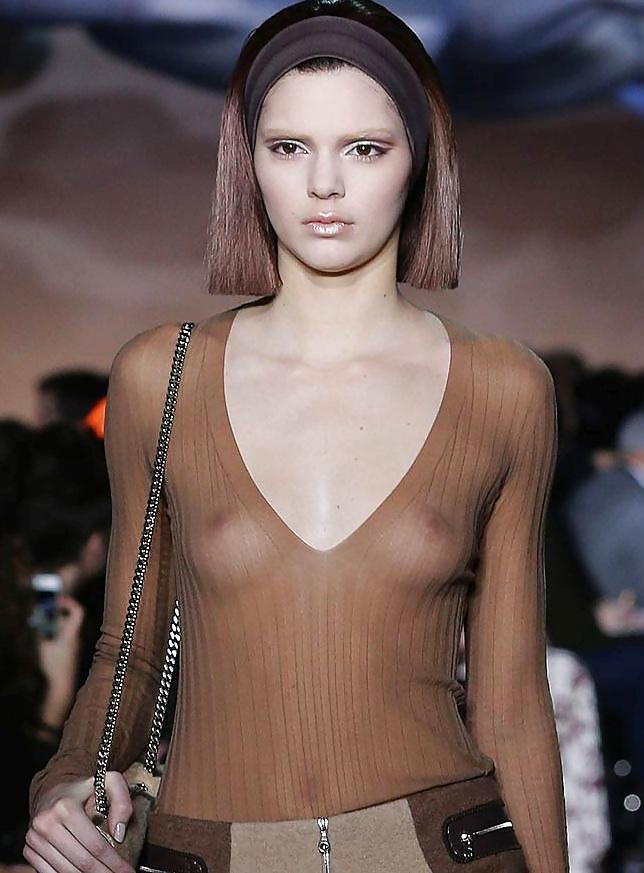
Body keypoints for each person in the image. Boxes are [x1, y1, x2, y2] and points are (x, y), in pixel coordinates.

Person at [23, 1, 569, 871]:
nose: (324, 184)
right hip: (208, 850)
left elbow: (511, 706)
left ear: (420, 160)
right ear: (248, 163)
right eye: (288, 147)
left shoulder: (505, 387)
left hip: (440, 848)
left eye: (365, 148)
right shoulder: (159, 376)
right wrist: (61, 781)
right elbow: (130, 648)